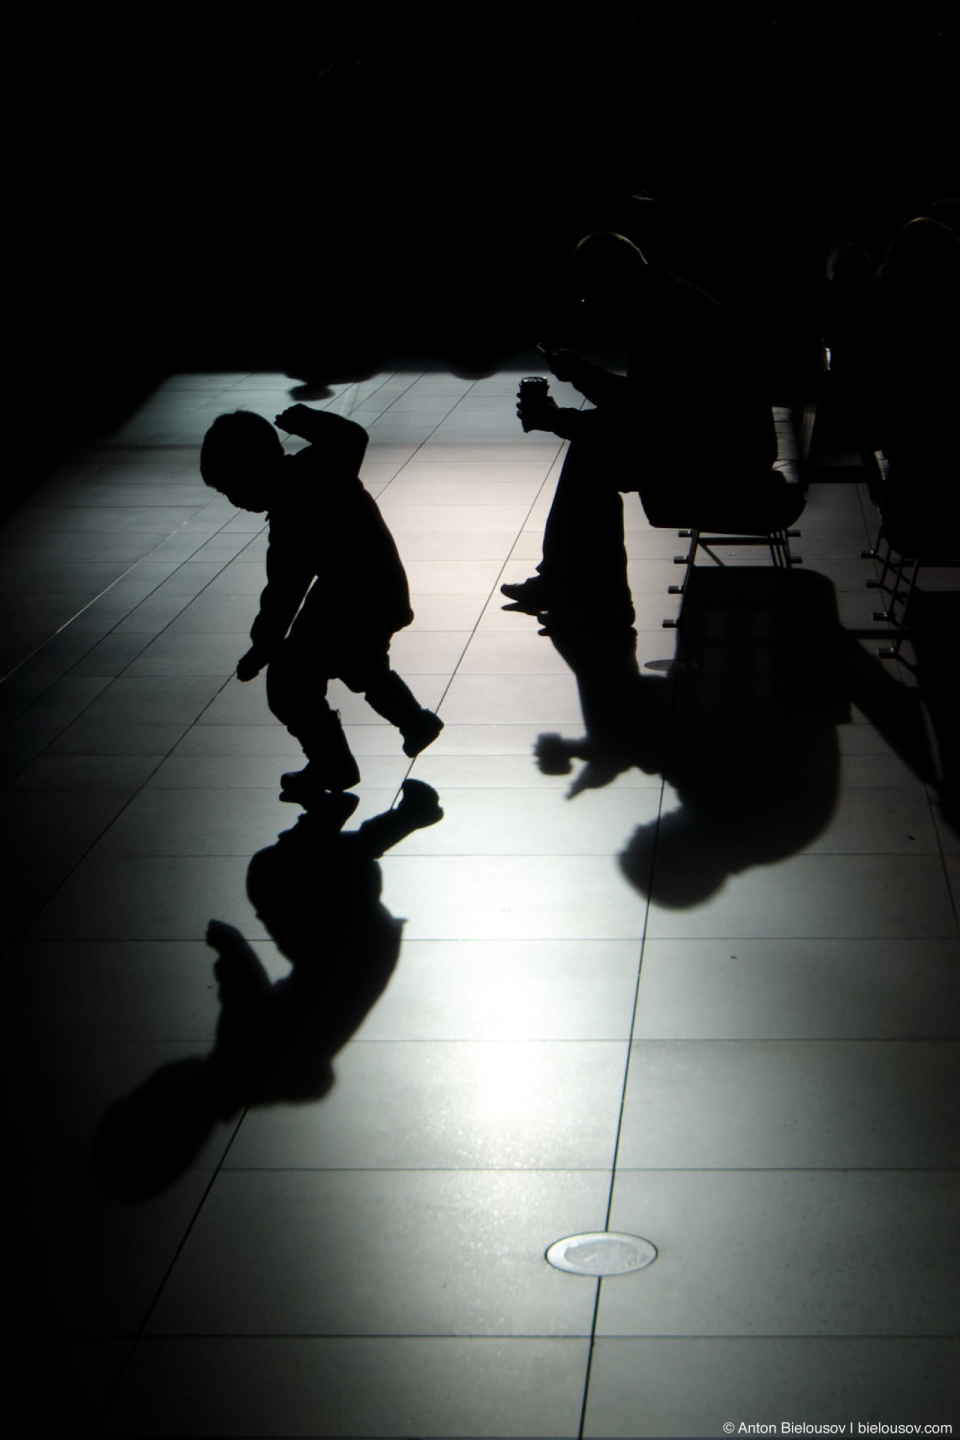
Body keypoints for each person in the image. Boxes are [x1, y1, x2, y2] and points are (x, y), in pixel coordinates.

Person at [502, 232, 798, 619]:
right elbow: (652, 404)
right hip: (729, 444)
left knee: (591, 455)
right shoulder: (670, 301)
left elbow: (644, 419)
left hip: (723, 463)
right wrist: (581, 375)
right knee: (592, 450)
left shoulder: (665, 318)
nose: (588, 305)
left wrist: (559, 421)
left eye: (588, 293)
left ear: (610, 281)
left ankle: (580, 584)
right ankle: (579, 584)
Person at [200, 404, 443, 805]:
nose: (233, 501)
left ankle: (334, 762)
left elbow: (283, 593)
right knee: (362, 664)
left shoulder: (298, 501)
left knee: (289, 683)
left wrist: (263, 647)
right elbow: (351, 437)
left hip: (352, 597)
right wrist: (307, 422)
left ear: (251, 470)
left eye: (230, 488)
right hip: (375, 588)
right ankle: (414, 722)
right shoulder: (321, 465)